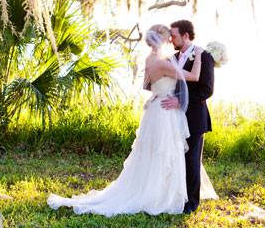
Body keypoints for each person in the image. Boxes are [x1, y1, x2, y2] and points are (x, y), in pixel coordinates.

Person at [46, 24, 217, 216]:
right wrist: (199, 56)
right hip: (164, 112)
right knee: (165, 153)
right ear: (161, 39)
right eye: (168, 37)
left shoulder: (151, 59)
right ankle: (162, 195)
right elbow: (193, 76)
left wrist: (161, 91)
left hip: (158, 109)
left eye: (173, 36)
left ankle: (175, 195)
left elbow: (147, 84)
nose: (170, 40)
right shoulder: (165, 62)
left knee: (162, 155)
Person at [160, 19, 217, 213]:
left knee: (191, 160)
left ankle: (191, 203)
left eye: (174, 36)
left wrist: (181, 101)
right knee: (176, 158)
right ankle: (176, 196)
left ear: (185, 35)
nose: (171, 40)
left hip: (194, 117)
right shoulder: (172, 58)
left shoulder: (204, 56)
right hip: (173, 118)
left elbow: (207, 90)